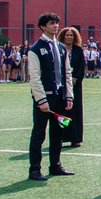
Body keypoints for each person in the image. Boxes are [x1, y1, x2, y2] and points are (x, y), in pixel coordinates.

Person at [26, 12, 74, 181]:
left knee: (58, 133)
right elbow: (34, 77)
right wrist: (41, 100)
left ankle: (55, 165)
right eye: (51, 23)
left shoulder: (61, 48)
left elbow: (67, 72)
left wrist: (69, 96)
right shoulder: (36, 49)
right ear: (43, 26)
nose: (55, 26)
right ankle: (34, 169)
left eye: (56, 23)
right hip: (45, 98)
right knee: (39, 133)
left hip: (60, 96)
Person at [58, 27, 86, 148]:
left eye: (71, 35)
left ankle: (76, 138)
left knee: (75, 111)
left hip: (75, 85)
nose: (69, 37)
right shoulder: (58, 49)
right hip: (61, 86)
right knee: (62, 111)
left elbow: (81, 67)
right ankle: (62, 137)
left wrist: (75, 79)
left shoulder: (78, 50)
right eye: (67, 35)